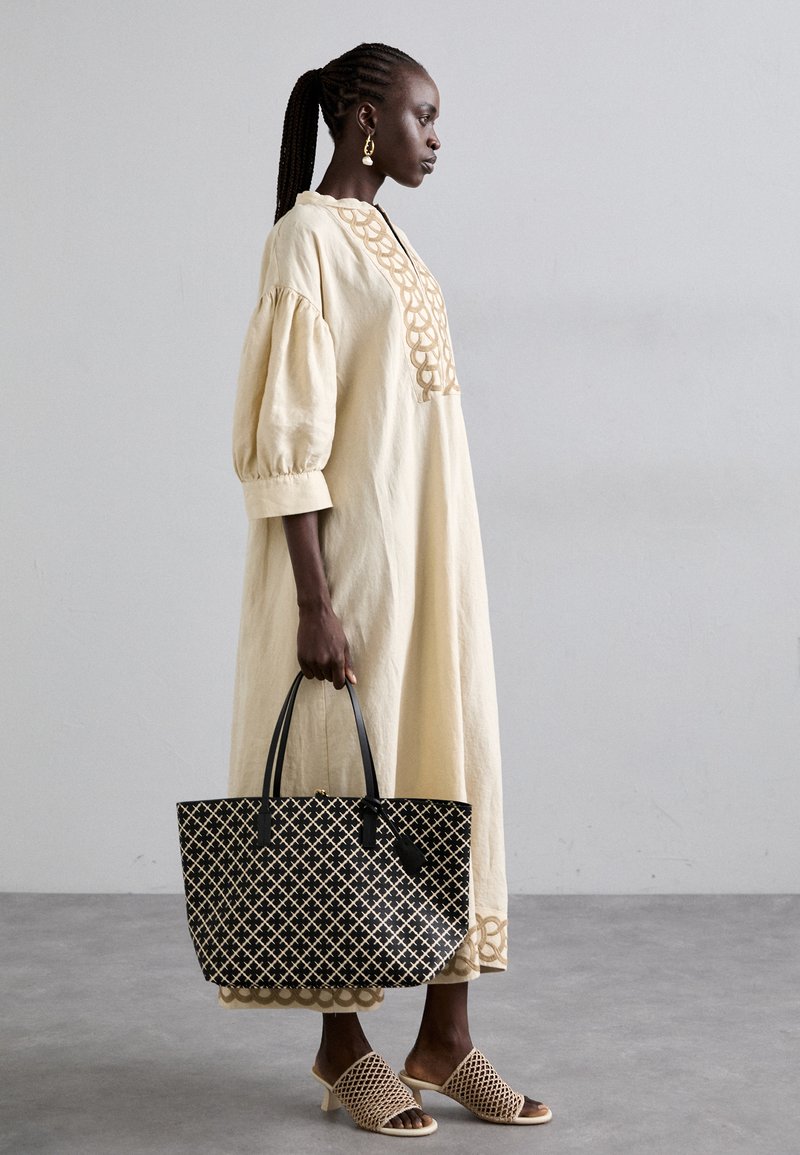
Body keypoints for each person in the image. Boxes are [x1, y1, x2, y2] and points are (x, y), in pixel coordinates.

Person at [222, 41, 552, 1136]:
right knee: (341, 792)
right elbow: (287, 435)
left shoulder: (390, 236)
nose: (436, 137)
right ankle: (341, 1043)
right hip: (353, 567)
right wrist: (315, 603)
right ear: (365, 118)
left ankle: (445, 1035)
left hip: (433, 559)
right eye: (423, 115)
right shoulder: (305, 239)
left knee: (447, 769)